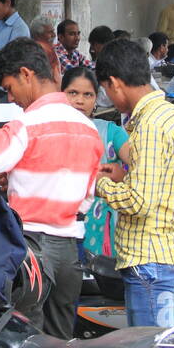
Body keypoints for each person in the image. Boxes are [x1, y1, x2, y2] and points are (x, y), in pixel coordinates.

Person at [0, 39, 101, 337]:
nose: (11, 98)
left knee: (25, 340)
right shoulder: (89, 128)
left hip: (30, 248)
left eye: (10, 88)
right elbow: (87, 195)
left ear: (26, 74)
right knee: (60, 343)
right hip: (69, 251)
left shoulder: (24, 124)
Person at [92, 40, 174, 328]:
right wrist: (127, 175)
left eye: (106, 89)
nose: (108, 96)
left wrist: (99, 184)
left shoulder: (147, 127)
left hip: (146, 260)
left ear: (115, 83)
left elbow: (138, 202)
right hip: (172, 254)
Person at [62, 67, 128, 266]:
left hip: (101, 225)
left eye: (87, 94)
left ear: (96, 99)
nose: (80, 100)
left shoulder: (111, 131)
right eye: (73, 93)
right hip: (60, 223)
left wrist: (122, 174)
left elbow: (139, 162)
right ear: (61, 94)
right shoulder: (50, 131)